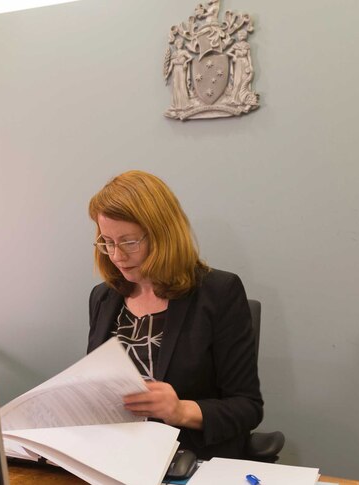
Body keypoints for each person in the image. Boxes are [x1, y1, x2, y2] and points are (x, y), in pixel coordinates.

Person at [87, 170, 263, 459]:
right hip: (115, 454)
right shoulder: (104, 297)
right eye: (107, 241)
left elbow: (247, 408)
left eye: (129, 242)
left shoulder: (219, 293)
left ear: (162, 235)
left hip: (187, 458)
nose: (116, 255)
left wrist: (180, 410)